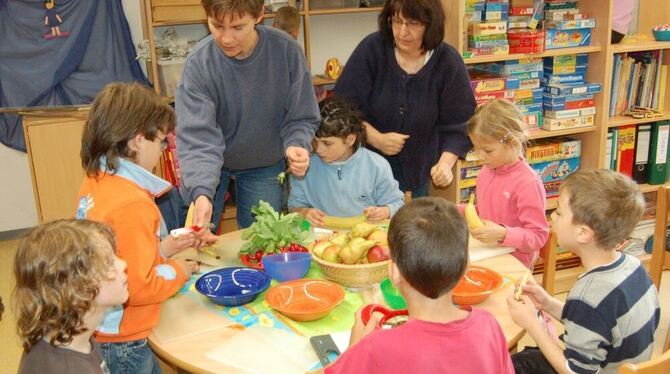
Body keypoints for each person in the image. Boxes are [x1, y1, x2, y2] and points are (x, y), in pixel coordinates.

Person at [77, 82, 199, 373]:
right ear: (136, 141)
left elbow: (118, 251)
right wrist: (180, 270)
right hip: (125, 338)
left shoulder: (97, 179)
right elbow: (138, 287)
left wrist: (162, 249)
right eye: (160, 140)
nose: (164, 148)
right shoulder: (132, 203)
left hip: (101, 327)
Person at [176, 0, 320, 230]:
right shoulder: (199, 64)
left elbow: (301, 115)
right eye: (217, 26)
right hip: (210, 163)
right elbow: (198, 139)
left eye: (238, 27)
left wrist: (296, 143)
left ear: (259, 14)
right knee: (195, 244)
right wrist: (201, 191)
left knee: (260, 241)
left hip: (263, 163)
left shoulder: (286, 51)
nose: (226, 38)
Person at [326, 197, 514, 373]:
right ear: (466, 267)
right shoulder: (489, 326)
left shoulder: (377, 347)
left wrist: (354, 349)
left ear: (394, 273)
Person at [508, 169, 660, 374]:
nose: (552, 216)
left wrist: (533, 325)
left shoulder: (589, 293)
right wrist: (547, 303)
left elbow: (574, 371)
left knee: (508, 364)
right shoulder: (633, 266)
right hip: (617, 363)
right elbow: (597, 322)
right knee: (526, 359)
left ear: (583, 233)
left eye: (559, 212)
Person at [334, 0, 476, 198]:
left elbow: (460, 124)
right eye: (397, 21)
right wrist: (376, 138)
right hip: (365, 175)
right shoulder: (372, 49)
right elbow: (342, 108)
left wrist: (445, 164)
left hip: (419, 175)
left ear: (430, 24)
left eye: (413, 24)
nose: (402, 32)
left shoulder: (448, 62)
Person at [14, 219, 128, 374]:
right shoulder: (70, 368)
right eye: (108, 262)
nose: (123, 264)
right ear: (76, 290)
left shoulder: (66, 336)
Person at [288, 96, 404, 225]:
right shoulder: (304, 165)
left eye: (327, 143)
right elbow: (293, 208)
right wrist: (304, 213)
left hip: (365, 236)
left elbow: (397, 204)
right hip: (321, 236)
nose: (318, 149)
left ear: (350, 140)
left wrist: (386, 211)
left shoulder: (376, 166)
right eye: (315, 141)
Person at [467, 99, 549, 269]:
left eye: (487, 150)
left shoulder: (528, 183)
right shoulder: (487, 170)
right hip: (487, 252)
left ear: (512, 143)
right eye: (476, 148)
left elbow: (538, 236)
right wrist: (460, 211)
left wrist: (504, 233)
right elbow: (488, 210)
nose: (480, 155)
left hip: (515, 262)